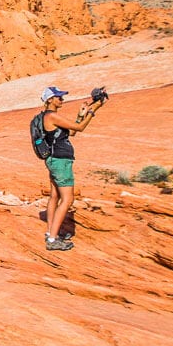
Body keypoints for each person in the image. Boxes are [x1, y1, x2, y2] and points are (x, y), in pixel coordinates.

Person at [41, 86, 106, 251]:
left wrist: (80, 114)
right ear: (50, 100)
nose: (62, 100)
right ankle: (53, 240)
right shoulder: (52, 116)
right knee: (67, 200)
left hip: (54, 160)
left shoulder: (48, 117)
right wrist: (93, 110)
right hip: (61, 162)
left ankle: (51, 233)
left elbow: (71, 132)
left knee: (55, 196)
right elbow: (80, 128)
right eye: (59, 97)